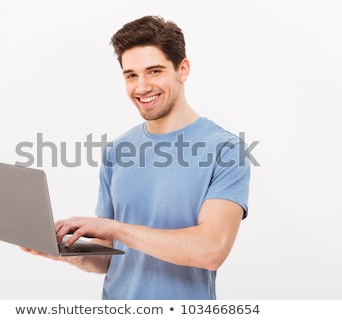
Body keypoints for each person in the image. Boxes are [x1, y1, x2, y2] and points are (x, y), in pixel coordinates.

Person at [22, 15, 250, 300]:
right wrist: (61, 252)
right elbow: (109, 260)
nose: (141, 87)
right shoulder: (117, 151)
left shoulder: (225, 150)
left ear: (183, 69)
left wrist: (115, 228)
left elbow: (211, 250)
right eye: (131, 75)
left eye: (154, 71)